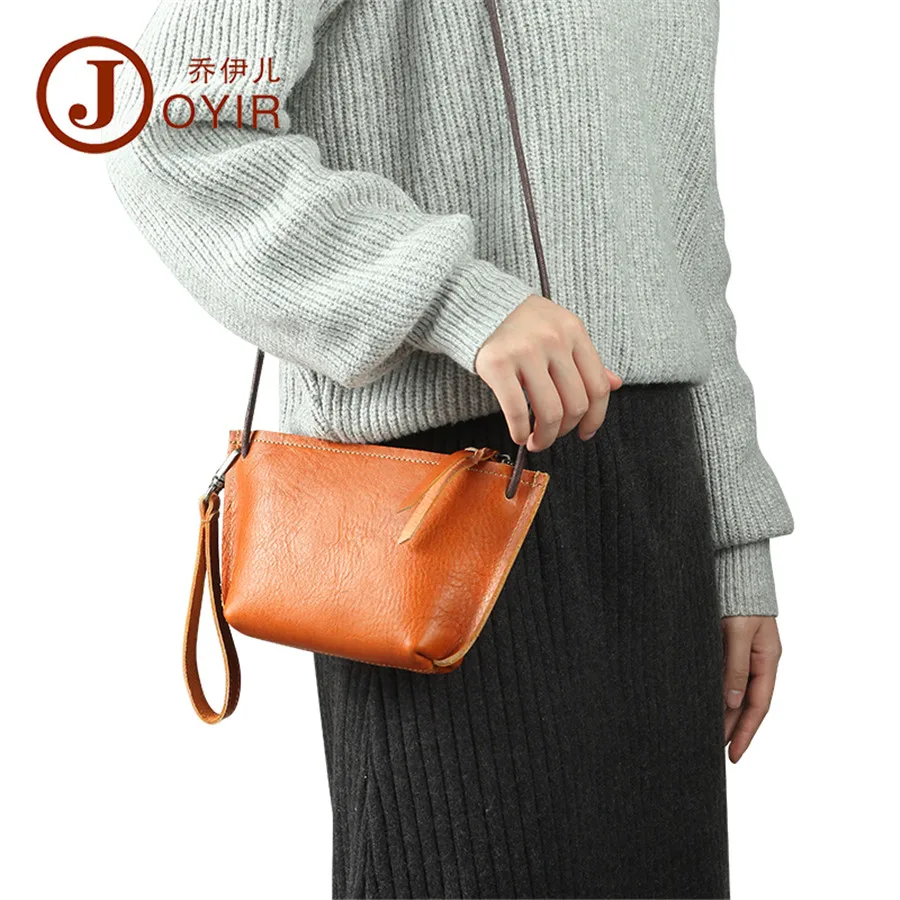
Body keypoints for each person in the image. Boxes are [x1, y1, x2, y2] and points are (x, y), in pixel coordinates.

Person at [107, 1, 794, 897]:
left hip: (656, 495)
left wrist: (734, 543)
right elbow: (165, 122)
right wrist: (452, 297)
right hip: (432, 502)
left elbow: (686, 231)